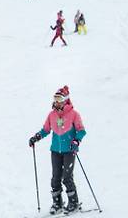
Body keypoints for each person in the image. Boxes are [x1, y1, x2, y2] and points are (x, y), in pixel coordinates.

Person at [28, 86, 86, 215]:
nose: (57, 101)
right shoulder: (52, 115)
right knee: (55, 178)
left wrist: (76, 141)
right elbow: (46, 130)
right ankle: (57, 203)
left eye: (59, 98)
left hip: (69, 150)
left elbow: (81, 130)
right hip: (55, 151)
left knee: (67, 177)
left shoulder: (74, 114)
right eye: (55, 98)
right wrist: (36, 137)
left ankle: (73, 202)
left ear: (65, 100)